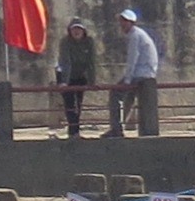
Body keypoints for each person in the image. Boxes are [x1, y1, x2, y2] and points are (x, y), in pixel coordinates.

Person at [109, 9, 162, 138]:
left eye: (125, 21)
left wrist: (127, 80)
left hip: (140, 73)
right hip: (146, 73)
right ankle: (120, 126)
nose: (122, 24)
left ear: (131, 23)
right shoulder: (139, 34)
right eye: (121, 21)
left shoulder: (134, 36)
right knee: (127, 98)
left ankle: (116, 128)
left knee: (115, 94)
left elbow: (133, 58)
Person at [53, 13, 98, 138]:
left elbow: (92, 62)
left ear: (84, 31)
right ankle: (73, 131)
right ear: (70, 31)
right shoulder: (65, 42)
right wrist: (64, 82)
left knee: (78, 104)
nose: (76, 31)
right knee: (69, 104)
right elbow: (65, 62)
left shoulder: (89, 42)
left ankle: (75, 131)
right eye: (74, 29)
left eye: (79, 29)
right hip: (65, 74)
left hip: (80, 75)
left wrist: (92, 81)